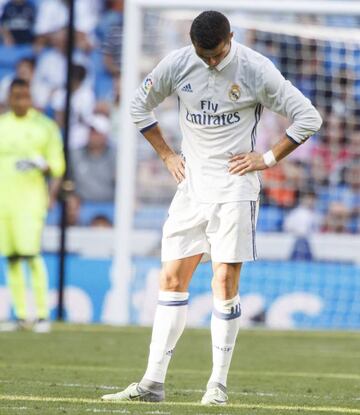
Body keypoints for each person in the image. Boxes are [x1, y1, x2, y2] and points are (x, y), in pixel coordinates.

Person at [102, 11, 322, 405]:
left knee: (223, 284)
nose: (210, 62)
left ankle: (216, 386)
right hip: (190, 190)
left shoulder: (256, 69)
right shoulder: (178, 63)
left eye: (217, 54)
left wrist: (268, 158)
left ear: (231, 38)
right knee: (170, 282)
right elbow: (138, 107)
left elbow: (309, 116)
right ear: (193, 44)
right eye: (204, 55)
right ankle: (153, 383)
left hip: (235, 190)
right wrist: (168, 155)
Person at [0, 79, 65, 332]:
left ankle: (41, 315)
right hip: (4, 202)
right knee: (12, 258)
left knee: (32, 254)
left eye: (24, 97)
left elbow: (57, 166)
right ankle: (20, 315)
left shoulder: (44, 126)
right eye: (16, 97)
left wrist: (49, 188)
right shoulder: (2, 125)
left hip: (30, 201)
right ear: (9, 98)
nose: (20, 102)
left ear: (30, 98)